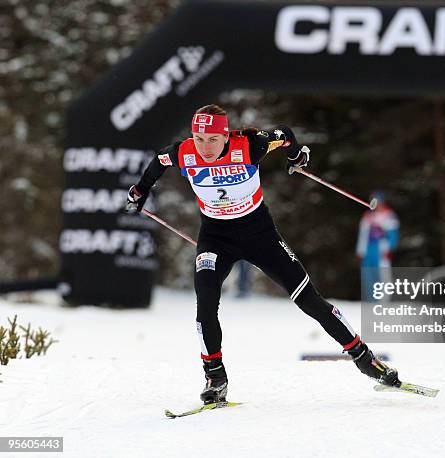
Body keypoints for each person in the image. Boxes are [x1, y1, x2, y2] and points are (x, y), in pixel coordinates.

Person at [125, 105, 401, 404]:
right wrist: (139, 192)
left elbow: (285, 134)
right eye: (199, 138)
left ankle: (364, 358)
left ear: (225, 135)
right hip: (216, 238)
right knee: (205, 302)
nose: (205, 147)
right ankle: (215, 376)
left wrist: (296, 155)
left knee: (309, 299)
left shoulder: (251, 145)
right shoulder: (183, 152)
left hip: (260, 235)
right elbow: (157, 162)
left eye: (213, 139)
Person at [356, 191, 400, 301]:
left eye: (378, 202)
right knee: (368, 274)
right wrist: (360, 251)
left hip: (381, 249)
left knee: (382, 274)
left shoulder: (389, 215)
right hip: (368, 249)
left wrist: (390, 249)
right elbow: (363, 234)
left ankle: (384, 300)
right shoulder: (368, 216)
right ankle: (371, 300)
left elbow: (393, 234)